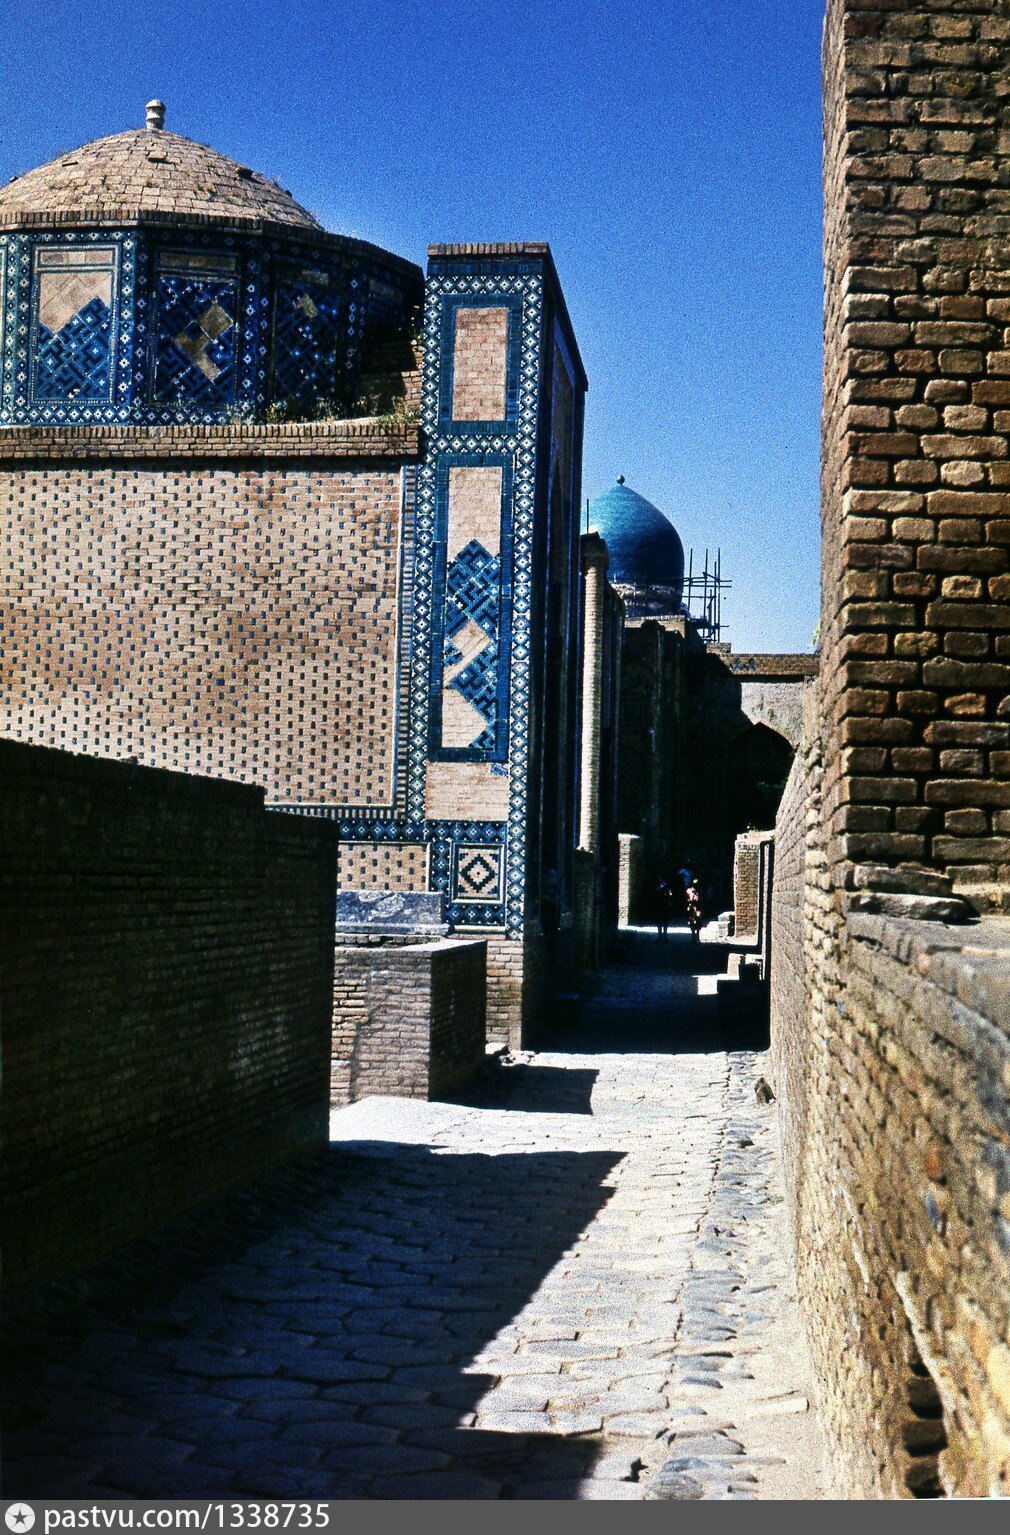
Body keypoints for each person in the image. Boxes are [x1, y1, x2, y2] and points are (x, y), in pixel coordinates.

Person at [686, 878, 703, 943]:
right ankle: (693, 937)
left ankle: (697, 937)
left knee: (698, 922)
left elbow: (701, 900)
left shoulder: (699, 891)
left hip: (697, 909)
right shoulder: (689, 891)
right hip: (691, 908)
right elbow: (686, 899)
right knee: (692, 923)